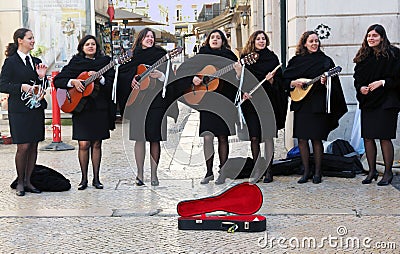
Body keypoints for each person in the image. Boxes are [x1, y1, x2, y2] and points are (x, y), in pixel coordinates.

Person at [176, 29, 242, 184]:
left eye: (218, 37)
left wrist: (238, 73)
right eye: (212, 37)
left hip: (224, 100)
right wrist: (193, 79)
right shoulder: (201, 56)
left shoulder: (230, 57)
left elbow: (236, 80)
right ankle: (208, 172)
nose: (215, 39)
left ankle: (223, 172)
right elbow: (182, 70)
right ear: (208, 40)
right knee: (207, 137)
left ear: (223, 41)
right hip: (207, 102)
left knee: (223, 137)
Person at [283, 31, 347, 184]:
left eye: (316, 41)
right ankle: (306, 172)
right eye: (311, 41)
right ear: (304, 43)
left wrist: (326, 83)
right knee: (302, 139)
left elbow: (335, 86)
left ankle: (318, 172)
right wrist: (294, 83)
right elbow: (285, 79)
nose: (314, 44)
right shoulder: (296, 61)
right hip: (301, 104)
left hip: (317, 105)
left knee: (317, 139)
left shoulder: (325, 62)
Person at [54, 35, 115, 190]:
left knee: (96, 143)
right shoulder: (75, 62)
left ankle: (96, 178)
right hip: (81, 109)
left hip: (99, 108)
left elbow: (111, 85)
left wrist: (100, 78)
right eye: (87, 44)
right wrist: (73, 82)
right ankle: (83, 179)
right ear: (82, 47)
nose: (90, 46)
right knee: (83, 143)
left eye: (93, 44)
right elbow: (58, 80)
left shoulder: (105, 62)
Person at [118, 28, 177, 186]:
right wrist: (131, 80)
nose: (150, 39)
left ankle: (154, 174)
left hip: (156, 102)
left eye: (152, 37)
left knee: (154, 138)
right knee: (139, 138)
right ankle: (139, 174)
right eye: (147, 36)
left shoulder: (161, 55)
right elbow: (122, 74)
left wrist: (161, 76)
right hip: (138, 103)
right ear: (140, 38)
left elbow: (170, 76)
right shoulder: (132, 55)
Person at [0, 28, 48, 196]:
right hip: (19, 111)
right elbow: (3, 85)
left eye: (33, 38)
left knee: (34, 145)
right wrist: (21, 87)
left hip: (35, 109)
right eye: (30, 38)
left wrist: (42, 78)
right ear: (20, 40)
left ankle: (29, 181)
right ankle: (20, 182)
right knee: (23, 146)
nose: (33, 41)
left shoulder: (36, 60)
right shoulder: (11, 62)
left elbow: (43, 87)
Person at [353, 24, 400, 186]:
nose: (371, 38)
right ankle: (372, 171)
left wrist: (382, 82)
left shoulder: (393, 54)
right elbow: (357, 78)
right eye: (369, 36)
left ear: (382, 37)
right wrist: (361, 88)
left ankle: (387, 173)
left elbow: (398, 78)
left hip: (387, 102)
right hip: (369, 102)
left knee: (384, 137)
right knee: (368, 137)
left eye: (374, 36)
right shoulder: (363, 56)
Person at [240, 30, 286, 183]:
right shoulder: (246, 59)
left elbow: (281, 82)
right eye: (258, 39)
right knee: (254, 137)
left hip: (268, 103)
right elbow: (239, 81)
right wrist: (243, 92)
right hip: (251, 103)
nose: (261, 41)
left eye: (263, 39)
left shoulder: (272, 59)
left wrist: (271, 80)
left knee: (267, 137)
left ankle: (269, 170)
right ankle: (257, 169)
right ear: (252, 41)